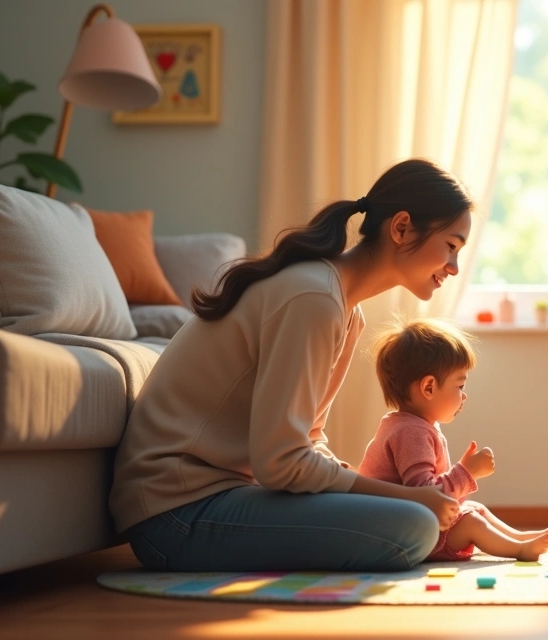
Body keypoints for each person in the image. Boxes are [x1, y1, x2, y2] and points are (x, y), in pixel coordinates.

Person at [109, 159, 472, 572]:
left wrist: (364, 488)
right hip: (173, 513)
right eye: (451, 246)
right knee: (415, 526)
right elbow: (281, 461)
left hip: (224, 495)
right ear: (402, 227)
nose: (453, 268)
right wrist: (404, 496)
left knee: (415, 518)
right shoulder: (313, 298)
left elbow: (308, 437)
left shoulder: (345, 311)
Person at [359, 318, 548, 562]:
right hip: (403, 535)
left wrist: (460, 473)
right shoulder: (411, 432)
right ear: (429, 387)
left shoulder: (407, 425)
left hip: (406, 524)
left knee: (476, 510)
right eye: (460, 385)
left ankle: (518, 537)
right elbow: (424, 494)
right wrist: (467, 472)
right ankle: (519, 550)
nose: (464, 396)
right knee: (471, 521)